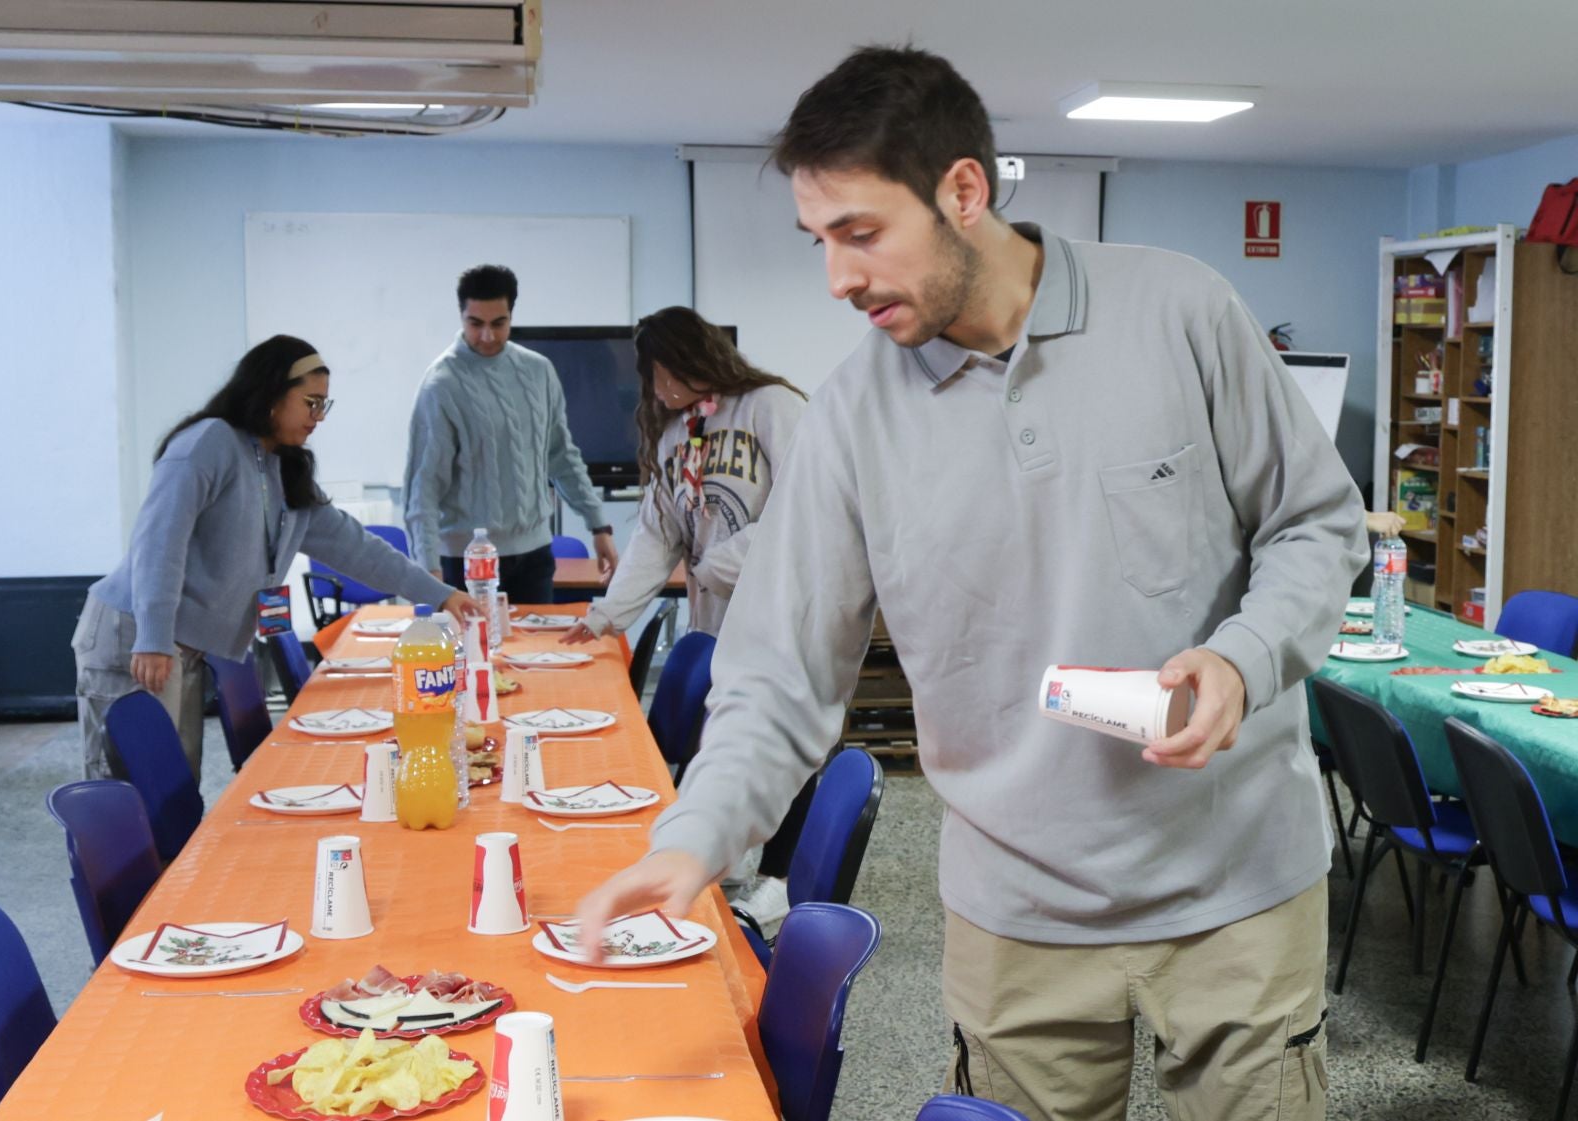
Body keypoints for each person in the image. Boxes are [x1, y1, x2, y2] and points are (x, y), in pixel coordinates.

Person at [575, 47, 1366, 1121]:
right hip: (1017, 910)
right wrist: (692, 840)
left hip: (1238, 892)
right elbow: (776, 677)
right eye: (819, 241)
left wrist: (1242, 655)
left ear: (963, 190)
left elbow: (1315, 526)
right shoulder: (853, 417)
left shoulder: (1183, 309)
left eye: (861, 233)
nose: (838, 279)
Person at [76, 335, 471, 780]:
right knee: (131, 790)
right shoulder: (209, 443)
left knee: (172, 789)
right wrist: (151, 637)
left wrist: (439, 594)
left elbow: (356, 547)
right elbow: (158, 542)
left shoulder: (284, 467)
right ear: (270, 391)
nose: (318, 417)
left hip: (183, 649)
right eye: (310, 402)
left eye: (325, 405)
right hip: (135, 636)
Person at [561, 306, 807, 643]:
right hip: (712, 627)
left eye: (657, 373)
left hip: (777, 624)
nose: (653, 387)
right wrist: (605, 616)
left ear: (688, 360)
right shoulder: (676, 434)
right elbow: (656, 536)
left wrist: (718, 566)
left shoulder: (770, 405)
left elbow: (805, 510)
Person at [403, 264, 620, 605]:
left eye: (498, 323)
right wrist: (429, 569)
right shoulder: (441, 384)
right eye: (476, 324)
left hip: (534, 555)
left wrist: (599, 525)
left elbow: (562, 455)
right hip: (465, 561)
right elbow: (424, 488)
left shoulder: (538, 371)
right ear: (461, 316)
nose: (487, 336)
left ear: (511, 316)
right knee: (472, 657)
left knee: (533, 654)